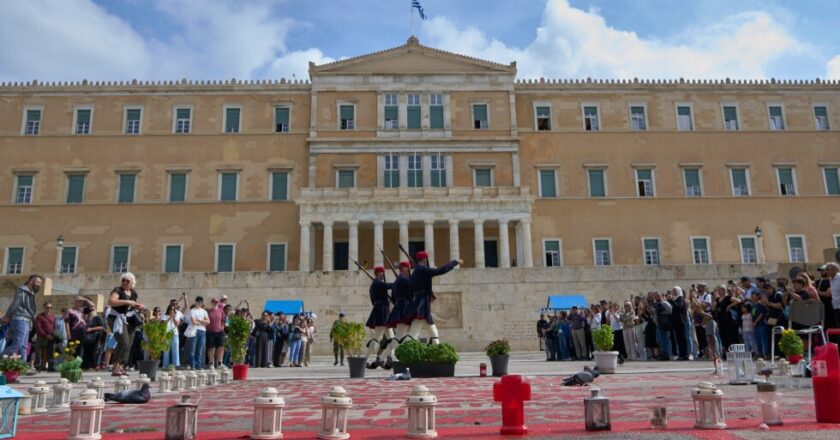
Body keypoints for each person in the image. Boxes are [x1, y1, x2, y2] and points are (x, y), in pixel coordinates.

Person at [405, 252, 462, 344]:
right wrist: (455, 262)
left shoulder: (415, 272)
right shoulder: (422, 269)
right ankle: (404, 352)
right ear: (425, 260)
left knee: (434, 332)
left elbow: (411, 290)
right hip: (422, 304)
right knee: (414, 333)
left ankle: (439, 353)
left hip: (421, 302)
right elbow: (440, 271)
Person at [107, 272, 144, 376]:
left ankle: (122, 366)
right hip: (117, 319)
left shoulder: (133, 293)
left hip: (130, 320)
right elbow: (111, 301)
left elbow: (135, 303)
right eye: (123, 280)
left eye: (127, 281)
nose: (124, 282)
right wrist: (127, 302)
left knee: (129, 344)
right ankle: (115, 366)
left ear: (132, 282)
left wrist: (139, 307)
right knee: (124, 342)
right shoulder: (118, 290)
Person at [380, 261, 414, 365]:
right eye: (408, 268)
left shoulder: (396, 281)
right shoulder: (405, 280)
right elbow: (411, 293)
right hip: (404, 308)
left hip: (399, 307)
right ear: (404, 268)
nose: (409, 270)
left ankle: (385, 357)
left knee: (402, 335)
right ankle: (383, 357)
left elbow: (393, 299)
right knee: (400, 336)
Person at [2, 274, 41, 358]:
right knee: (18, 345)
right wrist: (8, 316)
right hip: (20, 320)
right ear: (31, 281)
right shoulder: (22, 291)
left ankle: (21, 368)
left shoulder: (30, 293)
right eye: (38, 282)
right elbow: (14, 305)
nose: (39, 284)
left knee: (24, 346)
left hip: (26, 321)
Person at [365, 266, 394, 369]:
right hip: (382, 311)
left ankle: (390, 359)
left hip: (382, 310)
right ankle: (365, 359)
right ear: (379, 273)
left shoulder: (375, 285)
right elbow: (390, 285)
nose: (383, 274)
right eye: (382, 273)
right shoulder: (378, 283)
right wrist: (401, 281)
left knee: (392, 338)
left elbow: (374, 301)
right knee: (378, 338)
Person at [185, 298, 209, 370]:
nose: (200, 303)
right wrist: (203, 322)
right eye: (198, 302)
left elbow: (208, 321)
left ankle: (199, 365)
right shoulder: (192, 311)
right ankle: (193, 365)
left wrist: (199, 320)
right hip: (194, 331)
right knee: (192, 349)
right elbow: (193, 322)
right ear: (196, 302)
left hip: (202, 331)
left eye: (201, 302)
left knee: (200, 349)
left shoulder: (204, 311)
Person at [34, 302, 56, 371]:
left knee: (51, 351)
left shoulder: (53, 316)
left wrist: (53, 335)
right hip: (41, 336)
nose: (49, 309)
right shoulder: (39, 316)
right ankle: (38, 366)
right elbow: (38, 328)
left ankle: (51, 367)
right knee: (39, 351)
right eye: (47, 307)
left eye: (50, 307)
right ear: (44, 308)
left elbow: (54, 326)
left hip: (51, 336)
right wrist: (46, 335)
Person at [81, 306, 104, 371]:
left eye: (93, 310)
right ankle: (86, 366)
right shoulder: (86, 318)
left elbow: (101, 327)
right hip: (86, 338)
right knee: (85, 352)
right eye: (90, 310)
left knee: (93, 351)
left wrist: (91, 329)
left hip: (94, 337)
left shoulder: (97, 318)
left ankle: (94, 365)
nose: (91, 311)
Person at [205, 297, 226, 369]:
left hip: (219, 332)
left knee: (221, 347)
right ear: (211, 302)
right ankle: (211, 363)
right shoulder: (207, 311)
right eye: (214, 302)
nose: (215, 303)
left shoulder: (221, 311)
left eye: (216, 302)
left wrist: (222, 328)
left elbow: (223, 321)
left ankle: (219, 363)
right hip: (210, 332)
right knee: (210, 348)